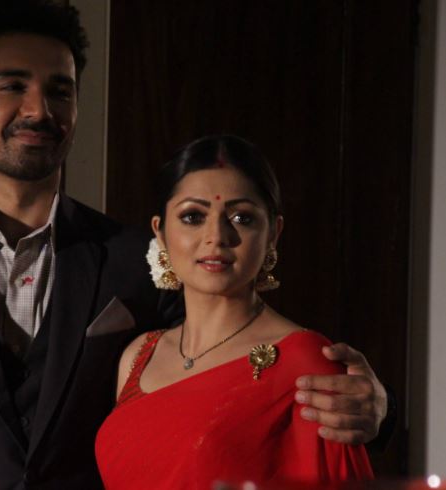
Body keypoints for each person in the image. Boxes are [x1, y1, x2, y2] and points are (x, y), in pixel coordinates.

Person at [0, 1, 389, 489]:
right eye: (13, 85)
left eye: (60, 90)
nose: (39, 109)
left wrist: (374, 408)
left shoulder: (140, 260)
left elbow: (234, 375)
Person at [95, 135, 375, 488]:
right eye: (193, 216)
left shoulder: (306, 360)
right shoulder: (138, 355)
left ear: (273, 233)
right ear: (161, 232)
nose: (216, 236)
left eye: (242, 217)